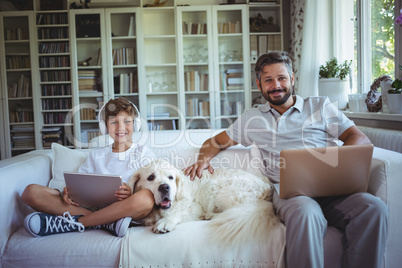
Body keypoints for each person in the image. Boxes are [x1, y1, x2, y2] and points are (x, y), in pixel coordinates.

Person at [183, 52, 388, 268]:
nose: (276, 85)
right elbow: (216, 141)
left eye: (281, 78)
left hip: (335, 191)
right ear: (259, 84)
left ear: (291, 78)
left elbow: (358, 137)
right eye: (268, 80)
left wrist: (338, 166)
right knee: (307, 214)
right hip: (292, 195)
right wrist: (203, 160)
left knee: (374, 208)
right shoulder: (252, 118)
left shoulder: (320, 106)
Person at [22, 97, 155, 237]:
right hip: (93, 208)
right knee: (30, 192)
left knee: (145, 198)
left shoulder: (144, 154)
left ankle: (81, 222)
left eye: (127, 121)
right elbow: (80, 183)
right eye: (114, 122)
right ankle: (106, 223)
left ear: (136, 124)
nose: (121, 127)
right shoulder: (96, 155)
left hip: (128, 211)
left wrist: (131, 193)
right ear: (105, 127)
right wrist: (68, 193)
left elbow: (154, 189)